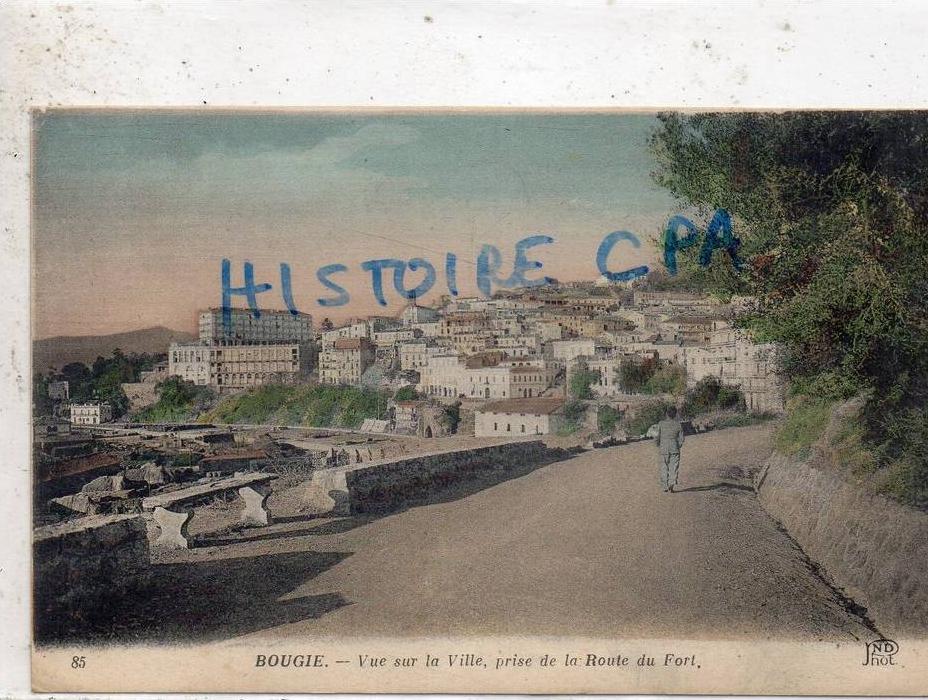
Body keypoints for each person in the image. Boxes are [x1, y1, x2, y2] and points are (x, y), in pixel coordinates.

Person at [654, 405, 685, 493]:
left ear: (667, 414)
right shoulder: (678, 424)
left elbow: (656, 436)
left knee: (664, 466)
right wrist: (678, 445)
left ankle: (664, 485)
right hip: (674, 447)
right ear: (675, 414)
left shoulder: (661, 423)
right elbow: (681, 438)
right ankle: (672, 482)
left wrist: (657, 444)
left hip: (663, 448)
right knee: (674, 466)